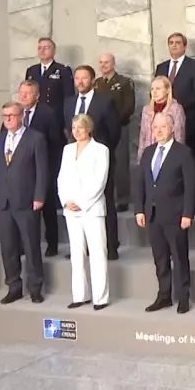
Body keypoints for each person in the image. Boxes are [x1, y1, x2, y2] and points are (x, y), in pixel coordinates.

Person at [134, 111, 195, 314]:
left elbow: (191, 186)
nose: (158, 131)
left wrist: (188, 213)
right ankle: (164, 296)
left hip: (176, 215)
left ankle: (183, 297)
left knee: (179, 258)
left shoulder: (183, 152)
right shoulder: (148, 152)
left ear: (172, 128)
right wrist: (139, 209)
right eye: (155, 127)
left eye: (163, 127)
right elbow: (140, 184)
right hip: (152, 215)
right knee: (160, 258)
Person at [0, 101, 49, 304]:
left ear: (21, 116)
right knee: (8, 247)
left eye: (12, 115)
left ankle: (35, 287)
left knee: (31, 246)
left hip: (27, 201)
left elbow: (42, 170)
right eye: (5, 116)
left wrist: (39, 196)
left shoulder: (35, 138)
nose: (8, 119)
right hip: (2, 201)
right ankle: (13, 287)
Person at [63, 65, 121, 260]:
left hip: (99, 159)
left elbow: (114, 131)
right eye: (77, 78)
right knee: (77, 200)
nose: (80, 82)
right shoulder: (68, 103)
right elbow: (67, 130)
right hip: (76, 159)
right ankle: (80, 248)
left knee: (105, 201)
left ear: (92, 80)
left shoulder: (104, 102)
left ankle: (111, 246)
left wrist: (99, 151)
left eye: (84, 78)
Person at [57, 114, 110, 310]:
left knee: (97, 253)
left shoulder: (100, 150)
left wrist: (81, 202)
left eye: (80, 128)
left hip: (92, 208)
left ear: (89, 128)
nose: (76, 132)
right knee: (76, 254)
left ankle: (100, 297)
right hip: (71, 210)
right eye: (73, 128)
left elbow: (100, 180)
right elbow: (61, 178)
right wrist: (66, 201)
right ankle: (80, 295)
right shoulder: (67, 150)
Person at [15, 79, 66, 257]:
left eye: (27, 94)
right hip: (20, 173)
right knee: (22, 211)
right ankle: (24, 244)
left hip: (43, 169)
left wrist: (51, 171)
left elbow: (55, 143)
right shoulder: (14, 114)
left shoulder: (47, 114)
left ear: (37, 96)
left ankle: (52, 244)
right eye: (21, 93)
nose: (23, 96)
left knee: (48, 208)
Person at [94, 53, 135, 213]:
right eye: (101, 62)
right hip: (100, 130)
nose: (103, 65)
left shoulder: (124, 82)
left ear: (113, 63)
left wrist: (114, 122)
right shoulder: (96, 83)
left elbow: (128, 106)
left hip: (119, 127)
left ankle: (123, 199)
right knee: (101, 164)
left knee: (120, 164)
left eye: (106, 62)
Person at [154, 32, 195, 156]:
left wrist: (178, 106)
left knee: (189, 153)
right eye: (171, 43)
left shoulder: (194, 66)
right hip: (163, 118)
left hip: (187, 117)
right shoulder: (161, 67)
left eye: (177, 43)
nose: (174, 45)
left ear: (185, 46)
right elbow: (155, 89)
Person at [24, 37, 73, 129]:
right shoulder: (31, 70)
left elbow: (68, 97)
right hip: (35, 116)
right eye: (39, 48)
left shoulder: (63, 70)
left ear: (54, 51)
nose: (42, 50)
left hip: (55, 117)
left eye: (46, 48)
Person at [138, 75, 186, 159]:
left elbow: (179, 135)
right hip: (150, 155)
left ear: (167, 90)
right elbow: (143, 137)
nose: (154, 92)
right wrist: (141, 158)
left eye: (158, 88)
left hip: (169, 155)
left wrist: (178, 158)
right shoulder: (146, 110)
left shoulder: (176, 108)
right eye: (152, 89)